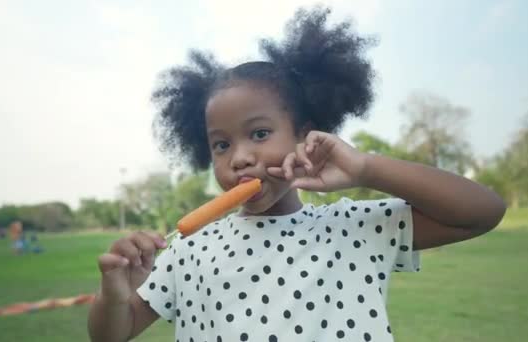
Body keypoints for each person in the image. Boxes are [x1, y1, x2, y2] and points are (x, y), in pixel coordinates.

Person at [88, 7, 505, 342]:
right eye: (221, 144)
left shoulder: (354, 227)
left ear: (305, 137)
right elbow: (113, 333)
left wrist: (366, 168)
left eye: (260, 133)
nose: (239, 158)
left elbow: (481, 212)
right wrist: (113, 295)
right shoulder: (187, 250)